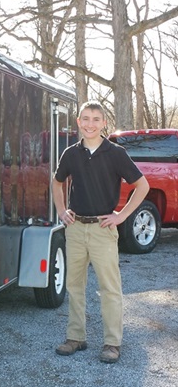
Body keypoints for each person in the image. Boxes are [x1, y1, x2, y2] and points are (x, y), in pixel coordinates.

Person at [52, 100, 149, 363]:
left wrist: (122, 215)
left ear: (104, 123)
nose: (90, 124)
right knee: (74, 285)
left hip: (103, 230)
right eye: (85, 119)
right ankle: (76, 337)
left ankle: (112, 343)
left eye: (96, 119)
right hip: (75, 228)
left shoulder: (115, 153)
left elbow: (142, 186)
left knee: (110, 288)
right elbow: (57, 181)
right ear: (78, 123)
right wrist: (62, 211)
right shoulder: (70, 153)